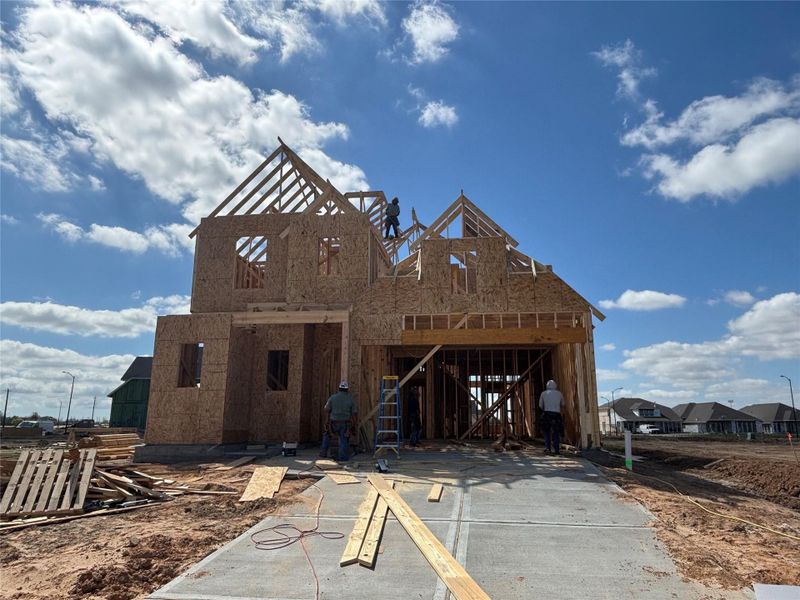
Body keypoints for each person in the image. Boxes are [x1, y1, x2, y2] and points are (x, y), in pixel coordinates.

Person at [320, 381, 358, 461]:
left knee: (327, 435)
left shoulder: (333, 397)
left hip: (333, 423)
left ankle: (323, 453)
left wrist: (327, 421)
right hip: (345, 423)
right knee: (343, 439)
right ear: (347, 389)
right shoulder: (350, 399)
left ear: (339, 388)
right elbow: (354, 413)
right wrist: (354, 425)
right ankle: (343, 458)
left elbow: (326, 409)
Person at [539, 379, 564, 454]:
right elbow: (563, 404)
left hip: (547, 414)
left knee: (547, 432)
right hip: (556, 415)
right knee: (556, 432)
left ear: (547, 386)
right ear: (555, 385)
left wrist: (545, 408)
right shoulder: (559, 394)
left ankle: (548, 448)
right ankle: (557, 450)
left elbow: (540, 405)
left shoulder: (543, 393)